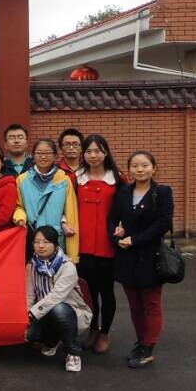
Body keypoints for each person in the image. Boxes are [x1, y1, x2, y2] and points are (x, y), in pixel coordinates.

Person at [109, 150, 174, 369]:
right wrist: (116, 232)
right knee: (135, 305)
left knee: (151, 303)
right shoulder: (124, 193)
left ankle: (148, 346)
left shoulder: (162, 192)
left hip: (150, 256)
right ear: (129, 170)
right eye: (135, 166)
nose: (140, 169)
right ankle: (140, 342)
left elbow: (163, 223)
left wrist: (135, 240)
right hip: (127, 256)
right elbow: (113, 219)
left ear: (154, 168)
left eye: (145, 165)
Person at [76, 134, 123, 354]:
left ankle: (105, 332)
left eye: (98, 151)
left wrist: (123, 227)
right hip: (83, 245)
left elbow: (125, 209)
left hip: (107, 245)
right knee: (89, 292)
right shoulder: (76, 178)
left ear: (105, 153)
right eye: (88, 151)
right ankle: (93, 329)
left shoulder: (118, 179)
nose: (93, 155)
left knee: (106, 291)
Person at [25, 226, 92, 373]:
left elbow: (56, 296)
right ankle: (52, 341)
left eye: (46, 242)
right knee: (30, 334)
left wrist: (33, 313)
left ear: (56, 244)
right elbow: (29, 295)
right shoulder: (31, 266)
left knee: (59, 308)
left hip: (71, 312)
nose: (40, 246)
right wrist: (25, 317)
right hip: (44, 312)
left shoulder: (67, 266)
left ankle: (73, 353)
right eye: (37, 242)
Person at [13, 138, 79, 262]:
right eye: (39, 153)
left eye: (48, 153)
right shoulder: (22, 180)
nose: (43, 157)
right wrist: (20, 217)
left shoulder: (64, 180)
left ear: (55, 156)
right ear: (33, 156)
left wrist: (73, 255)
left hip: (56, 240)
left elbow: (71, 214)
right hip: (33, 239)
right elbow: (18, 206)